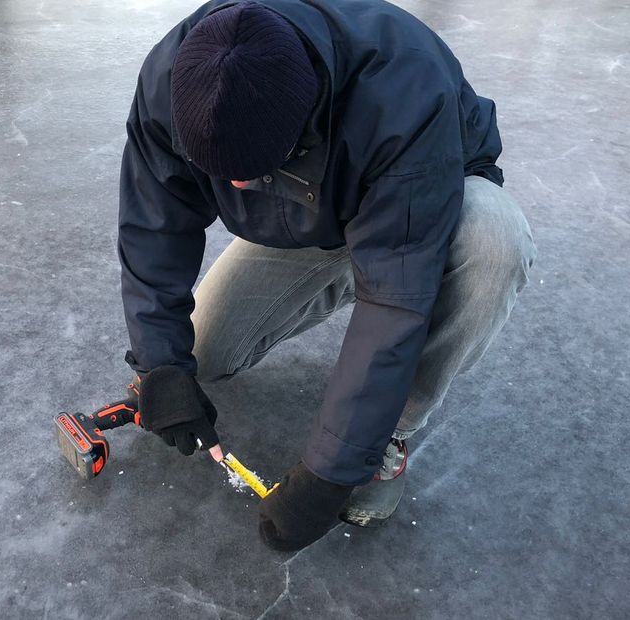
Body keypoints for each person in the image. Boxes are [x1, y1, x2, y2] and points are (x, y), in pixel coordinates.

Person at [117, 0, 536, 552]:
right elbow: (154, 224)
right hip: (307, 216)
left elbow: (395, 300)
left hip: (421, 213)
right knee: (207, 356)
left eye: (251, 170)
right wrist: (162, 362)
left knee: (493, 240)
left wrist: (330, 474)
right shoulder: (175, 77)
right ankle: (328, 272)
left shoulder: (402, 93)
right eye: (221, 173)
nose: (235, 188)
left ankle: (389, 436)